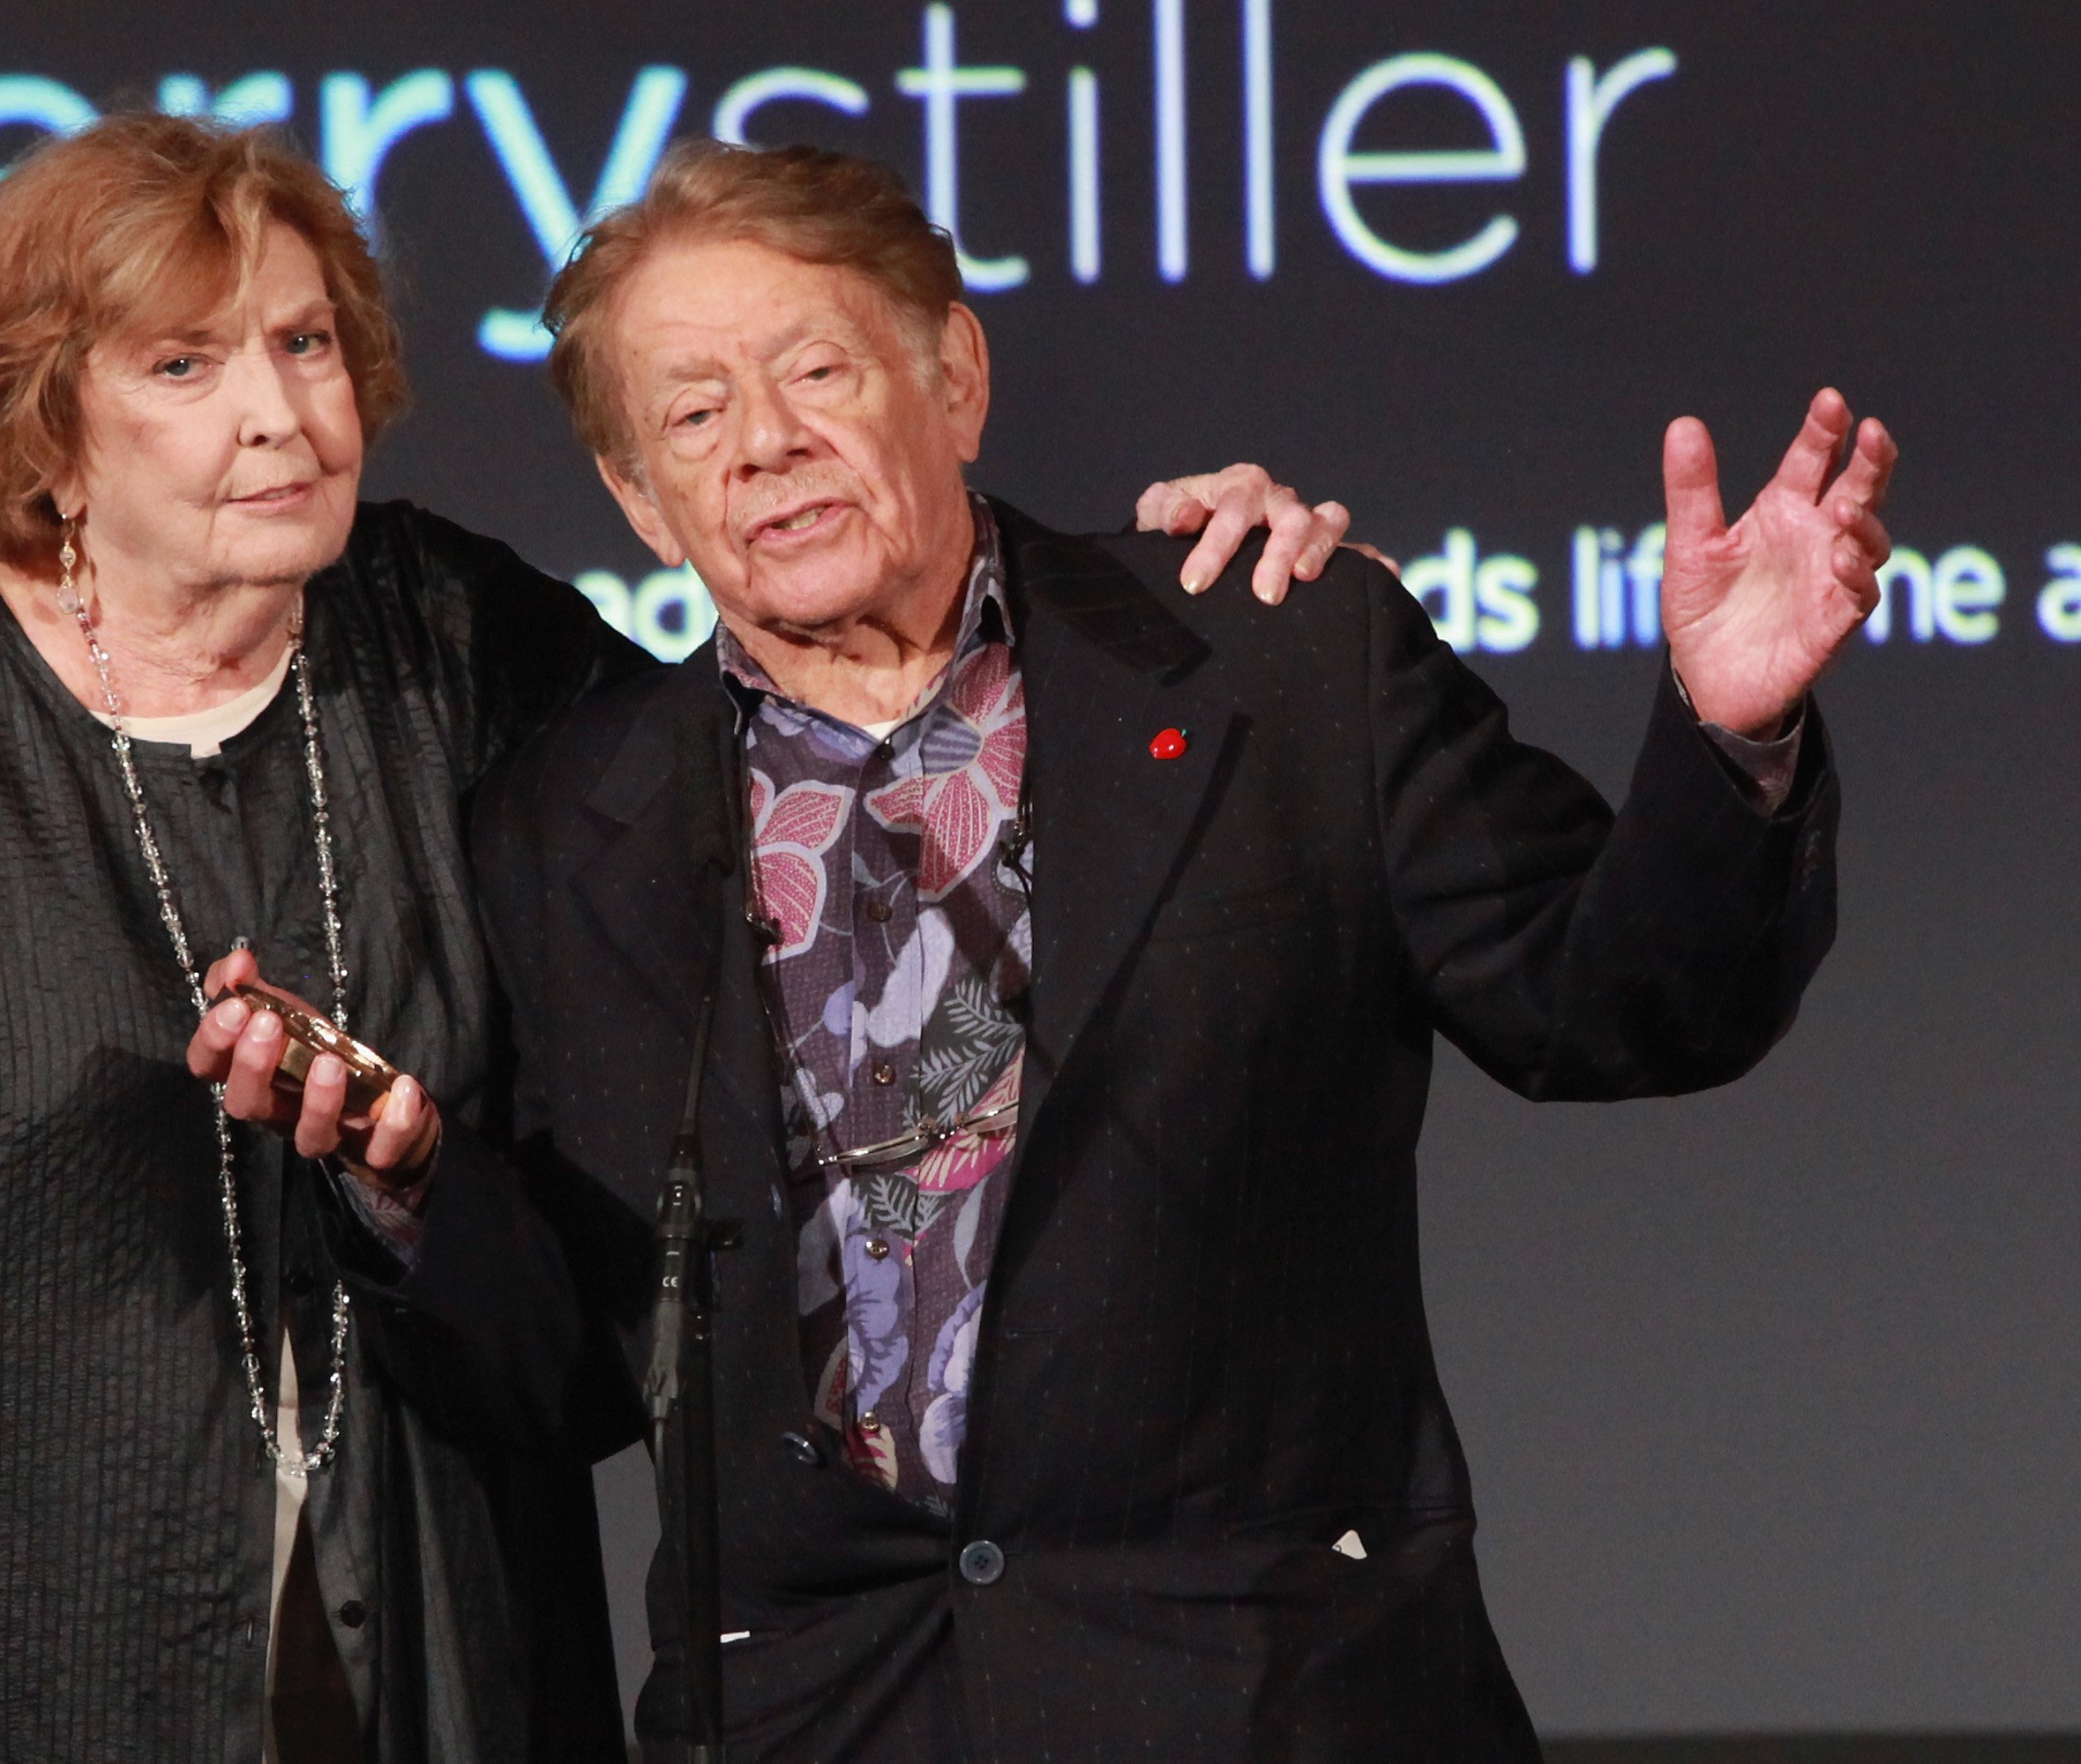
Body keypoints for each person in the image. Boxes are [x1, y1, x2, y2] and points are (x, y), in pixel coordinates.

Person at [0, 115, 1353, 1764]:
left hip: (440, 1637)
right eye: (185, 365)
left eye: (306, 346)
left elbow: (816, 716)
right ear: (48, 426)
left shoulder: (449, 635)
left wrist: (1112, 601)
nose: (282, 416)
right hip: (8, 1649)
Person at [198, 141, 1895, 1760]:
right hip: (828, 1721)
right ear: (642, 501)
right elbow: (588, 1370)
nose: (765, 446)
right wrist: (415, 1190)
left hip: (1266, 1701)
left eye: (818, 375)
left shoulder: (1266, 659)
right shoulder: (570, 825)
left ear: (953, 379)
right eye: (695, 416)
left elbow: (1612, 1007)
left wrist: (1727, 734)